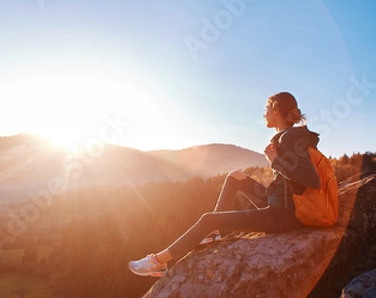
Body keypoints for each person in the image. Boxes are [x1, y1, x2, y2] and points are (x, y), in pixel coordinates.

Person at [129, 92, 321, 277]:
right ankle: (213, 233)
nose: (264, 114)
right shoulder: (288, 136)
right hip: (280, 203)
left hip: (282, 216)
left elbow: (311, 179)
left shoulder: (288, 138)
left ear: (276, 110)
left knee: (207, 219)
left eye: (266, 108)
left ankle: (158, 261)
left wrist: (275, 160)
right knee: (235, 176)